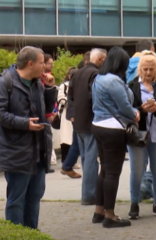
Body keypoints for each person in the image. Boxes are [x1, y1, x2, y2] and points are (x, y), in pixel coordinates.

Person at [0, 46, 57, 229]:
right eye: (42, 63)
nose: (45, 67)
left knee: (34, 197)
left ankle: (31, 233)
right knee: (17, 199)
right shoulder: (5, 82)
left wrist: (49, 88)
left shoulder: (38, 83)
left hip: (39, 150)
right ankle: (16, 234)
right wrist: (24, 123)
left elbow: (47, 112)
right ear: (30, 63)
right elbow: (1, 114)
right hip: (17, 151)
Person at [91, 46, 140, 228]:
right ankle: (110, 215)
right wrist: (134, 113)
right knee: (112, 173)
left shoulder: (99, 78)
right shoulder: (114, 81)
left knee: (104, 170)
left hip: (98, 125)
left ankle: (99, 210)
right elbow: (125, 106)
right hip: (113, 128)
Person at [128, 51, 156, 219]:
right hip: (138, 135)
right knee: (137, 170)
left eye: (151, 69)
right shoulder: (131, 86)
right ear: (140, 69)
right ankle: (134, 203)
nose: (148, 73)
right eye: (145, 69)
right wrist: (141, 110)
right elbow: (126, 110)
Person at [69, 48, 107, 205]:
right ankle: (89, 195)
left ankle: (87, 193)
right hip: (91, 121)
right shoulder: (96, 75)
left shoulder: (77, 73)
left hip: (79, 121)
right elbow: (96, 97)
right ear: (99, 60)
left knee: (86, 159)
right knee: (91, 160)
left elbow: (70, 95)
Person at [58, 67, 81, 179]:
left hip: (74, 114)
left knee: (75, 140)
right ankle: (66, 163)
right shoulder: (66, 86)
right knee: (69, 140)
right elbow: (64, 99)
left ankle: (68, 164)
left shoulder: (76, 85)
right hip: (69, 114)